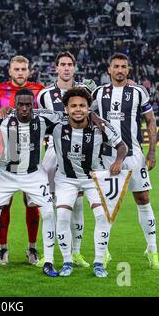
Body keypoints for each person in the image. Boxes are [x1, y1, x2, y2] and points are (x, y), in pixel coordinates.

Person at [91, 53, 159, 269]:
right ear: (109, 70)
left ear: (128, 70)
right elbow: (83, 110)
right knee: (106, 206)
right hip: (106, 157)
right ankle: (103, 253)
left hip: (134, 156)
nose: (120, 70)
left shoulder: (138, 91)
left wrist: (152, 152)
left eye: (123, 66)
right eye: (116, 67)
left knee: (143, 198)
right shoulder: (98, 92)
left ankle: (152, 250)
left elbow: (151, 122)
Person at [48, 87, 128, 277]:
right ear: (65, 108)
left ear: (89, 108)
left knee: (103, 217)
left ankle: (99, 263)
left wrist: (118, 161)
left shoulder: (100, 126)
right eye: (73, 106)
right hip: (66, 179)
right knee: (63, 218)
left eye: (82, 106)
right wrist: (5, 110)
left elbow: (122, 146)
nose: (78, 109)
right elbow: (29, 113)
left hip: (94, 178)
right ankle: (67, 261)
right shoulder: (57, 123)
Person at [0, 88, 61, 277]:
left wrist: (93, 116)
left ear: (33, 105)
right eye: (21, 104)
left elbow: (65, 116)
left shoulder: (43, 119)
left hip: (34, 174)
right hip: (5, 174)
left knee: (49, 213)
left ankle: (49, 261)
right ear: (15, 105)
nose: (25, 108)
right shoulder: (2, 119)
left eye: (28, 105)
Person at [36, 51, 93, 268]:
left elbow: (93, 118)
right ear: (56, 68)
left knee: (77, 202)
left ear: (74, 67)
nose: (66, 68)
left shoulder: (86, 91)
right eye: (62, 64)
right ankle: (48, 252)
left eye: (70, 64)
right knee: (49, 204)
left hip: (80, 151)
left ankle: (76, 252)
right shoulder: (44, 95)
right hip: (53, 149)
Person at [0, 55, 45, 265]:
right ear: (10, 71)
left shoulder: (39, 90)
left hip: (31, 152)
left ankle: (32, 248)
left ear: (29, 71)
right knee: (3, 203)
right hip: (5, 153)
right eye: (17, 69)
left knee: (32, 202)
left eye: (24, 69)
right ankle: (2, 249)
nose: (20, 72)